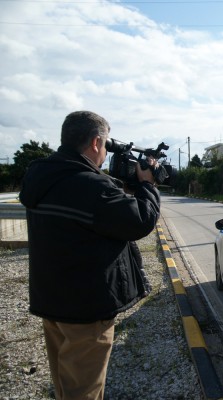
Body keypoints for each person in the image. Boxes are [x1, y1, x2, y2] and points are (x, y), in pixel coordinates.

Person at [19, 111, 161, 400]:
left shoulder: (41, 175)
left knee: (65, 383)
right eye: (106, 145)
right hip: (84, 309)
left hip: (51, 300)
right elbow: (140, 221)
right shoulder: (90, 186)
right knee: (84, 390)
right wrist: (147, 185)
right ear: (96, 142)